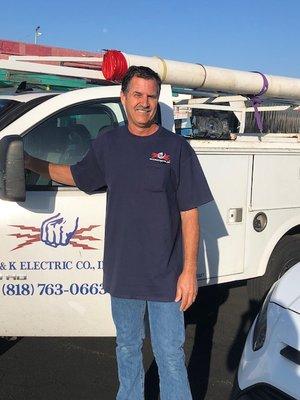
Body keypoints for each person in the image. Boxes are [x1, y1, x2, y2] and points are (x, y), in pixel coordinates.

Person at [25, 66, 213, 400]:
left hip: (166, 277)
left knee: (170, 356)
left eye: (151, 96)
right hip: (123, 272)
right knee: (127, 349)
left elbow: (190, 213)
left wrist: (188, 272)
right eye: (137, 94)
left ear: (157, 100)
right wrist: (30, 162)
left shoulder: (176, 147)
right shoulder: (108, 144)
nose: (144, 102)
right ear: (123, 98)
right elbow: (75, 175)